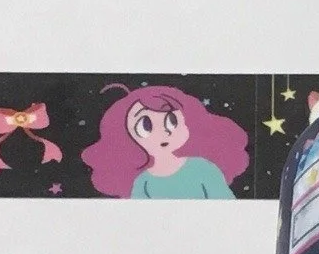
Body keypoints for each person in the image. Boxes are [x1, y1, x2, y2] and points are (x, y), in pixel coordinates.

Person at [81, 84, 250, 199]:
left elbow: (226, 208)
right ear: (128, 138)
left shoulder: (203, 169)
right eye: (146, 126)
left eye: (171, 121)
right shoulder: (143, 182)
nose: (162, 133)